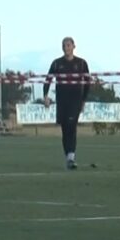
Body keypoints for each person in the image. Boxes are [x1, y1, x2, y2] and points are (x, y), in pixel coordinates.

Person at [42, 37, 91, 169]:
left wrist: (84, 100)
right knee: (65, 129)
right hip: (61, 100)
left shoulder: (81, 63)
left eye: (68, 45)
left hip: (75, 99)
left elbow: (87, 82)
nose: (66, 48)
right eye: (64, 45)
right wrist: (45, 95)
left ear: (74, 46)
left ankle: (71, 156)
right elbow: (48, 79)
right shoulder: (57, 63)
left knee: (71, 125)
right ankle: (68, 157)